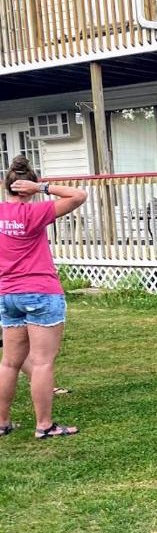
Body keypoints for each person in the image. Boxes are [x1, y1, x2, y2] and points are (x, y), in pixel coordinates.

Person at [0, 156, 87, 439]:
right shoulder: (34, 213)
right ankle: (44, 426)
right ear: (28, 185)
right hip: (40, 292)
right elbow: (78, 195)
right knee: (41, 362)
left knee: (9, 362)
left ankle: (2, 423)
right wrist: (42, 189)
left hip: (8, 294)